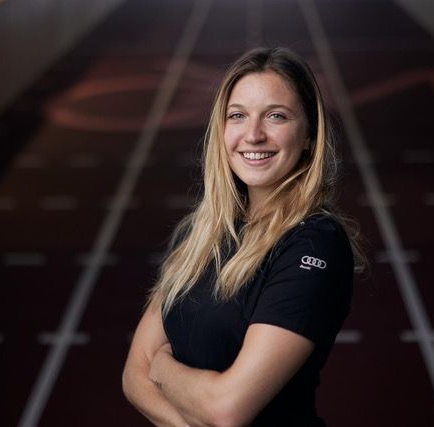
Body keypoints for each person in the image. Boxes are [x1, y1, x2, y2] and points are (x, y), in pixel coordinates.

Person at [122, 47, 362, 427]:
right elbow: (134, 375)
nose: (253, 135)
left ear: (309, 135)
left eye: (276, 116)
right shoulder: (198, 232)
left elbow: (227, 410)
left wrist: (162, 368)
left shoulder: (314, 244)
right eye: (237, 116)